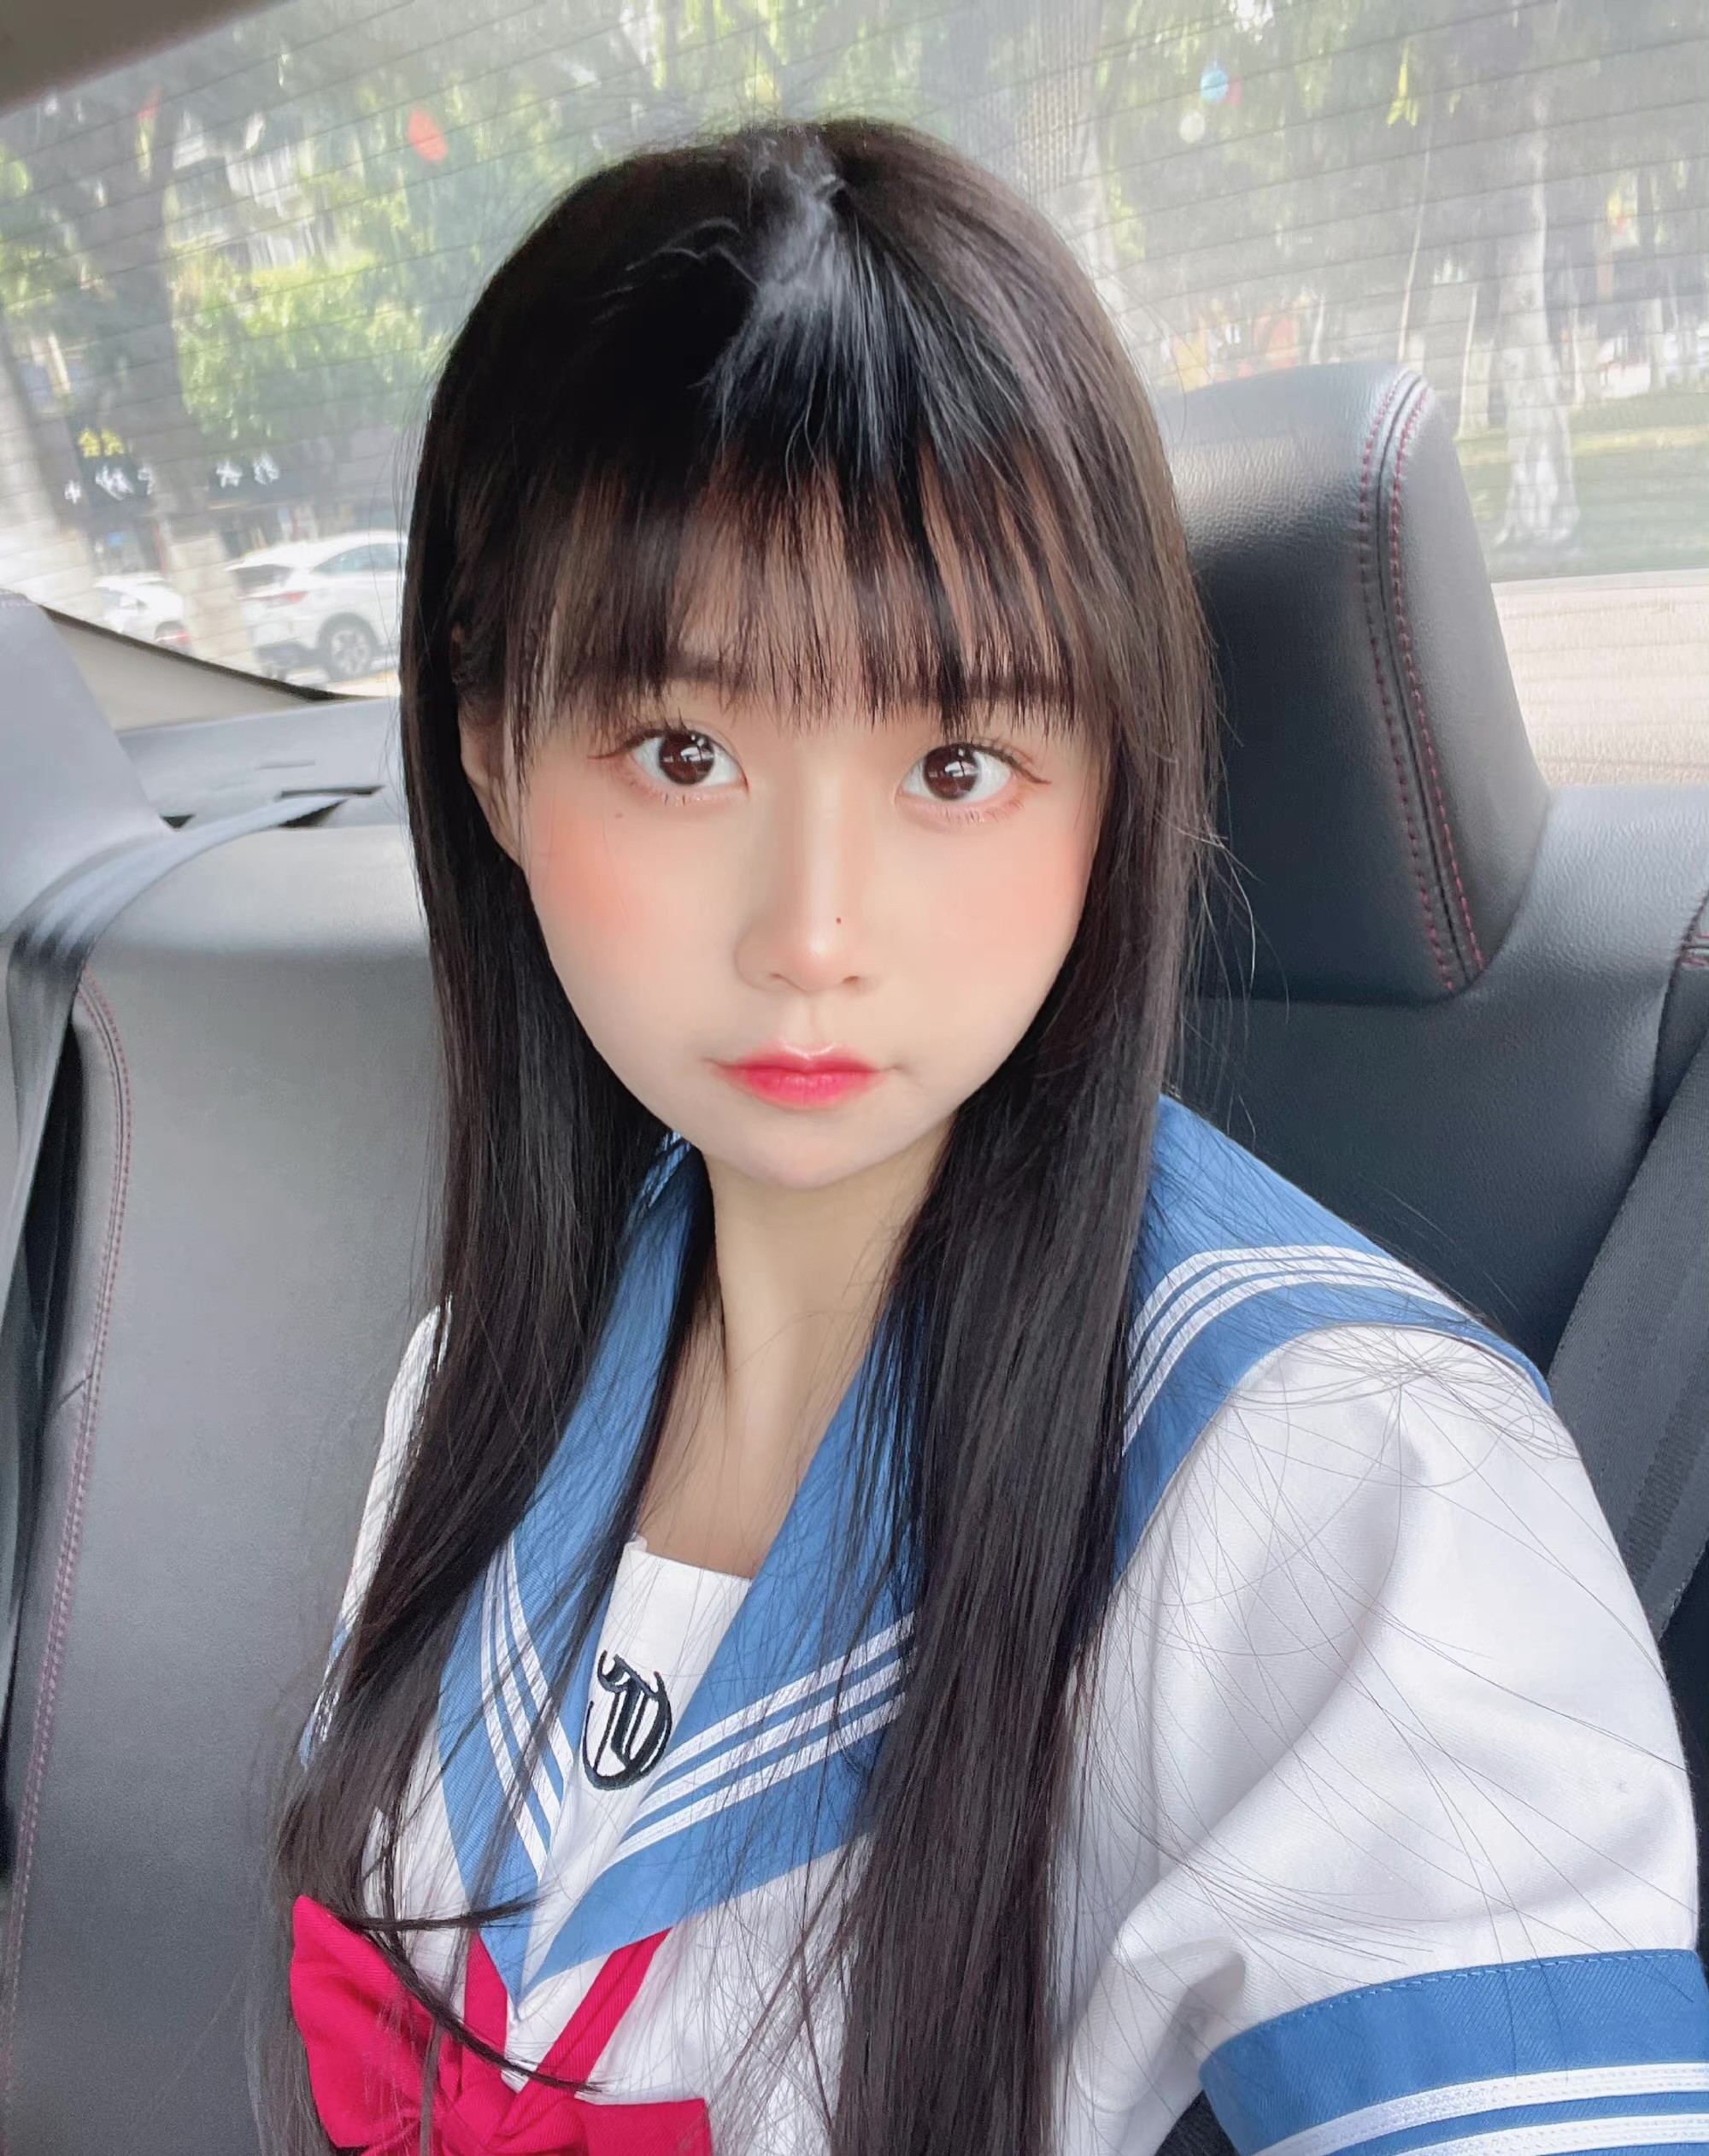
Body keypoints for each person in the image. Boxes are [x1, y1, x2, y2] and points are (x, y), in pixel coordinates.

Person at [261, 117, 1709, 2156]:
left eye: (954, 761)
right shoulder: (472, 1383)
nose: (811, 933)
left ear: (1115, 777)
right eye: (683, 749)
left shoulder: (1346, 1483)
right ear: (493, 752)